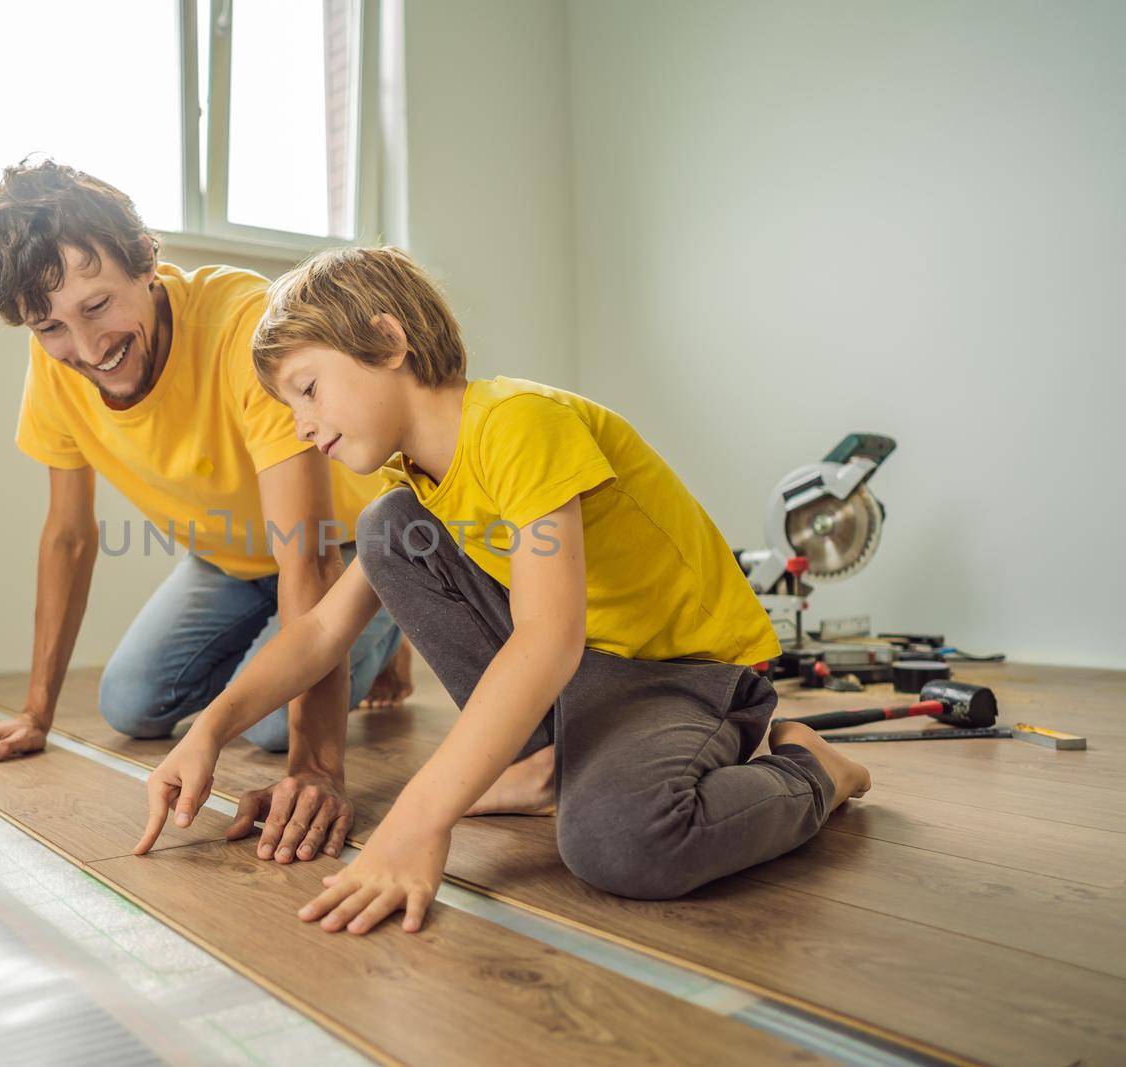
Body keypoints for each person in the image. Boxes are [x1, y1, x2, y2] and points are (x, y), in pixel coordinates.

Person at [134, 245, 871, 930]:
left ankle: (811, 770)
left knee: (621, 845)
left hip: (682, 676)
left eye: (308, 389)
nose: (301, 426)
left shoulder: (520, 423)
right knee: (389, 525)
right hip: (580, 678)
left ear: (388, 342)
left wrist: (421, 818)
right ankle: (546, 766)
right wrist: (209, 729)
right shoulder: (410, 483)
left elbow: (550, 637)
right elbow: (324, 630)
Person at [0, 162, 413, 865]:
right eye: (49, 325)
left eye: (97, 306)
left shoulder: (245, 326)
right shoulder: (56, 363)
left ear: (147, 258)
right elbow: (68, 535)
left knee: (273, 725)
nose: (88, 350)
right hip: (228, 559)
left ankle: (391, 623)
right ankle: (313, 645)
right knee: (131, 703)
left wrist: (315, 768)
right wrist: (35, 712)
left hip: (344, 550)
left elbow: (307, 553)